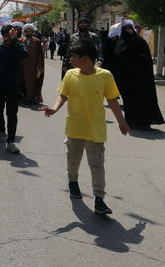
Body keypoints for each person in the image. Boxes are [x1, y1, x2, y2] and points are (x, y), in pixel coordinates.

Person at [43, 40, 129, 215]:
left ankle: (99, 200)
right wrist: (54, 108)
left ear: (86, 58)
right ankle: (73, 182)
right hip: (74, 128)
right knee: (73, 161)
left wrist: (122, 122)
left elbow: (112, 101)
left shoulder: (105, 76)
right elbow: (63, 95)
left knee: (97, 164)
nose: (70, 59)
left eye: (73, 56)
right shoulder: (70, 75)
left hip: (95, 129)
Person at [111, 21, 164, 129]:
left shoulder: (140, 41)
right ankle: (132, 121)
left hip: (141, 77)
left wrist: (140, 60)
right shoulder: (121, 42)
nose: (129, 31)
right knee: (130, 100)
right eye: (126, 29)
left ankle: (145, 121)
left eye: (130, 29)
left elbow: (147, 58)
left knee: (143, 98)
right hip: (128, 78)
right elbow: (118, 57)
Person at [0, 24, 28, 153]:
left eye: (9, 36)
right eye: (5, 36)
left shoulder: (18, 46)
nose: (7, 38)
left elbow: (23, 55)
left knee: (12, 113)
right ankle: (1, 131)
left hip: (12, 85)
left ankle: (11, 141)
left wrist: (15, 40)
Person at [19, 24, 44, 103]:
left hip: (33, 65)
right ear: (24, 32)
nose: (28, 33)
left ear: (33, 32)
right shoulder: (20, 40)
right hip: (22, 65)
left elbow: (40, 55)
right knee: (22, 81)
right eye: (27, 31)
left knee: (32, 81)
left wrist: (40, 66)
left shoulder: (37, 41)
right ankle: (24, 95)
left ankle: (30, 97)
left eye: (30, 31)